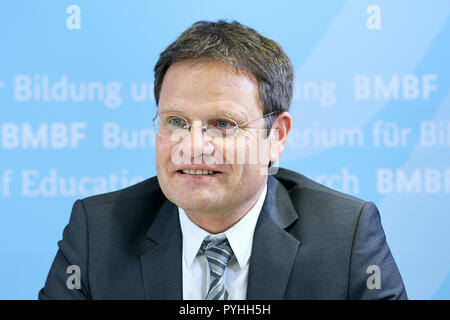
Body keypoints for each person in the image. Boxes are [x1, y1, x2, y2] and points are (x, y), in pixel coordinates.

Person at [39, 20, 407, 300]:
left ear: (276, 137)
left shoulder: (345, 237)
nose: (193, 145)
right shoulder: (96, 233)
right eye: (176, 122)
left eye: (222, 124)